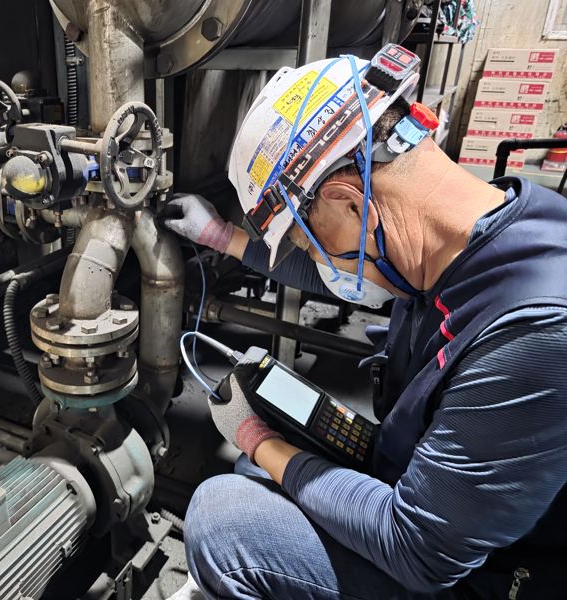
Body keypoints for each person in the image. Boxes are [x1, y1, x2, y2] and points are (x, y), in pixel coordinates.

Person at [163, 46, 567, 599]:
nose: (320, 258)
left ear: (350, 202)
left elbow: (418, 549)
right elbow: (335, 268)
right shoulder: (473, 236)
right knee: (256, 473)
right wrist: (222, 238)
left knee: (223, 515)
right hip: (437, 501)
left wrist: (261, 442)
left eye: (312, 237)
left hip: (480, 574)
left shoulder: (537, 332)